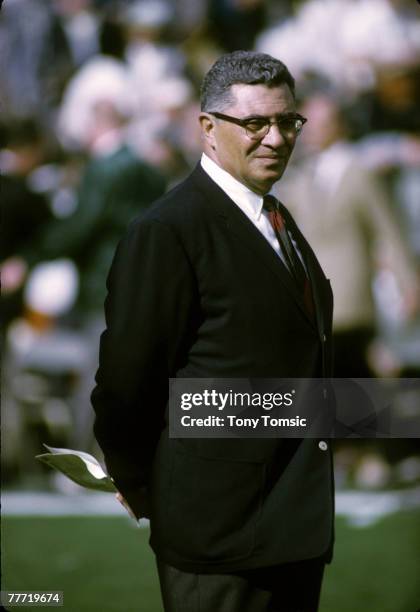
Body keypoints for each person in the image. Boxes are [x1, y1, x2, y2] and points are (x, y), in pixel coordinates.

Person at [91, 51, 334, 612]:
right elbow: (128, 381)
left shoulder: (275, 216)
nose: (276, 139)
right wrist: (140, 480)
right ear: (207, 129)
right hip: (218, 535)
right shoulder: (167, 229)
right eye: (255, 123)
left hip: (292, 526)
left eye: (287, 122)